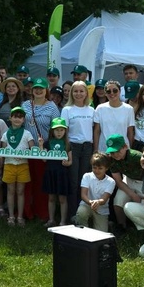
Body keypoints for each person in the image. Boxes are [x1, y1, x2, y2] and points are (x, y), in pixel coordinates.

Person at [22, 77, 60, 220]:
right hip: (26, 149)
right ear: (32, 90)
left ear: (46, 90)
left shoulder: (52, 107)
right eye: (36, 88)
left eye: (41, 88)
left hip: (44, 150)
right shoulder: (25, 105)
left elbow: (56, 128)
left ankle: (42, 212)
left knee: (41, 182)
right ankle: (27, 211)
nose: (38, 91)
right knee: (26, 181)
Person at [61, 81, 95, 221]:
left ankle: (84, 213)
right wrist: (68, 152)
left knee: (85, 181)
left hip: (87, 147)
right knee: (74, 182)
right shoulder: (67, 109)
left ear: (86, 93)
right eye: (75, 91)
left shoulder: (92, 110)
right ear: (71, 93)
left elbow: (94, 130)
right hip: (73, 147)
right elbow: (65, 133)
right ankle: (73, 214)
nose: (78, 94)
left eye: (82, 91)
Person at [0, 106, 35, 226]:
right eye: (15, 116)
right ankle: (11, 216)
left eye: (20, 117)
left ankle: (19, 216)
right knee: (10, 191)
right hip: (9, 165)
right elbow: (2, 150)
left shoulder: (27, 133)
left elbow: (33, 149)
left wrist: (30, 151)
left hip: (23, 165)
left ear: (24, 120)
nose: (17, 119)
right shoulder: (5, 134)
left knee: (20, 191)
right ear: (10, 118)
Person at [105, 134, 144, 234]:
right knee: (118, 202)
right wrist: (132, 194)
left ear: (125, 147)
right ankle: (122, 227)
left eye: (118, 151)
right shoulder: (112, 160)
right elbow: (118, 181)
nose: (115, 154)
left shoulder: (137, 156)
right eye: (112, 152)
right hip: (128, 180)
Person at [40, 117, 72, 227]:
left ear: (65, 131)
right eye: (56, 130)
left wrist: (67, 163)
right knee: (51, 197)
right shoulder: (47, 143)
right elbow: (43, 159)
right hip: (50, 172)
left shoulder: (67, 144)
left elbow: (70, 161)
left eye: (61, 130)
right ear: (52, 131)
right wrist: (40, 145)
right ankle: (51, 219)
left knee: (62, 198)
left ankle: (63, 221)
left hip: (62, 174)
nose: (59, 132)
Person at [74, 152, 115, 231]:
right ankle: (82, 228)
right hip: (86, 204)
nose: (96, 170)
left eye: (100, 168)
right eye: (94, 167)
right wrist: (91, 202)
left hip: (101, 209)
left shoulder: (111, 181)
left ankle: (104, 224)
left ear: (106, 168)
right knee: (81, 212)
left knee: (101, 234)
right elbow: (83, 195)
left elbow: (104, 199)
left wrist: (98, 202)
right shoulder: (87, 176)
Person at [93, 80, 135, 152]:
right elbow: (97, 131)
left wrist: (129, 149)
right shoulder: (100, 108)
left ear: (120, 91)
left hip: (122, 149)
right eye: (109, 91)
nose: (112, 93)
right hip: (104, 149)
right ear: (105, 93)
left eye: (115, 90)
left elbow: (130, 132)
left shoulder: (129, 109)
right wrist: (95, 150)